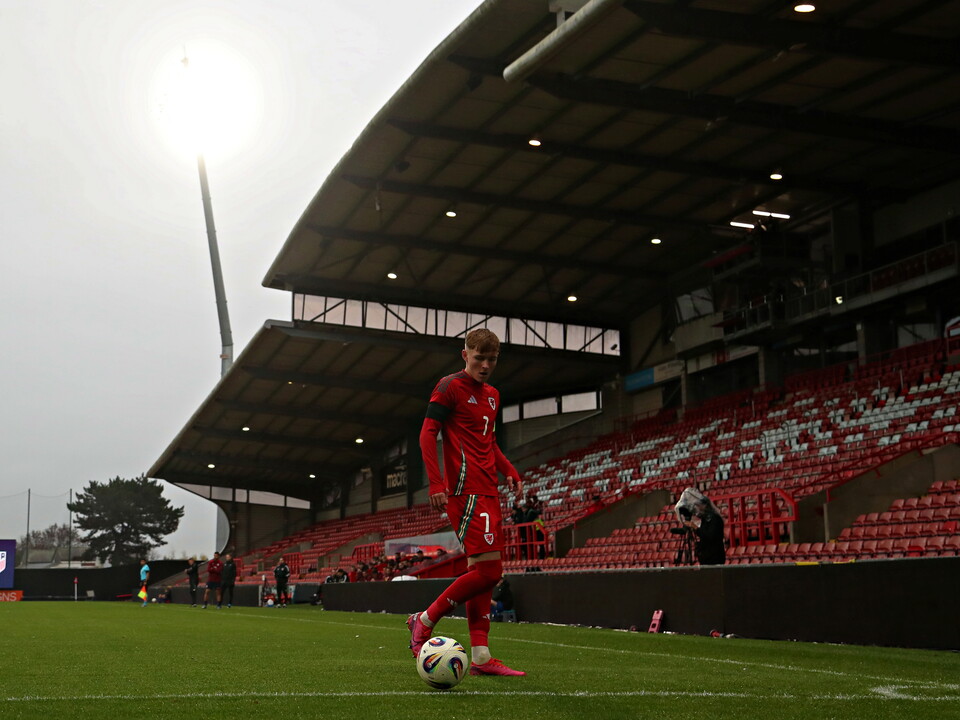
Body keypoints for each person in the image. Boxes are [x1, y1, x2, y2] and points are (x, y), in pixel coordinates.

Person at [408, 328, 525, 677]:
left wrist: (509, 471)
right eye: (479, 358)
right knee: (491, 572)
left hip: (488, 488)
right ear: (465, 355)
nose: (486, 365)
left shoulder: (492, 395)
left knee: (484, 576)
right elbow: (427, 433)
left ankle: (481, 655)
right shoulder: (449, 386)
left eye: (492, 359)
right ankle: (424, 619)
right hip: (465, 491)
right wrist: (436, 483)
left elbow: (488, 443)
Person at [675, 487, 726, 566]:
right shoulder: (705, 519)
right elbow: (703, 534)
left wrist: (695, 527)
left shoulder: (714, 518)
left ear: (705, 505)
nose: (697, 509)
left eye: (699, 506)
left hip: (714, 558)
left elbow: (710, 536)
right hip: (706, 558)